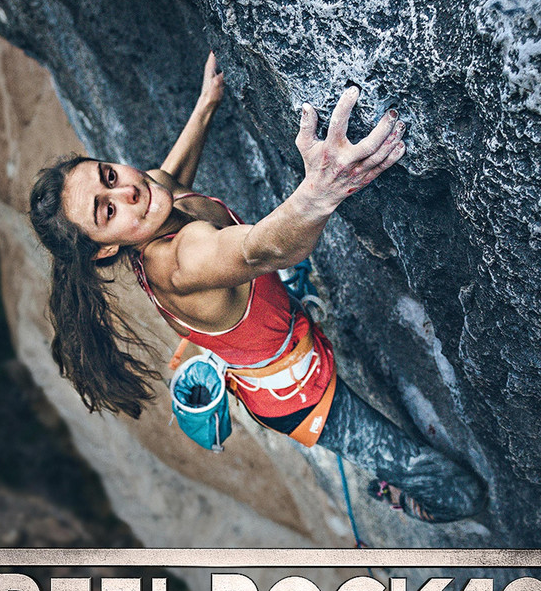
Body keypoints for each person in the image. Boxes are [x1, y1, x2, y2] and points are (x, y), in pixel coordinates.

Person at [30, 52, 486, 523]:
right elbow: (260, 251)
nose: (127, 192)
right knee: (459, 493)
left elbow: (170, 177)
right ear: (104, 249)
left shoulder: (150, 200)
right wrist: (323, 189)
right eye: (107, 211)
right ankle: (409, 499)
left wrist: (207, 103)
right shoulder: (181, 262)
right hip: (299, 396)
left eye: (109, 174)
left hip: (281, 344)